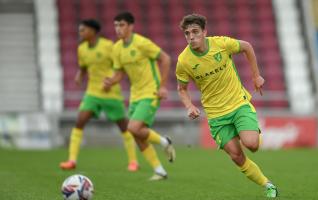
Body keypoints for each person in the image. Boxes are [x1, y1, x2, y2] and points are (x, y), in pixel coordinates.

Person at [176, 14, 278, 198]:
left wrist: (256, 76)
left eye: (195, 32)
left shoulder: (221, 44)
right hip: (216, 116)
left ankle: (246, 130)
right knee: (237, 157)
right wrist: (189, 106)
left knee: (252, 145)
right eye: (187, 33)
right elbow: (182, 89)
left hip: (238, 104)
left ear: (204, 32)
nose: (191, 36)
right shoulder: (184, 61)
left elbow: (247, 46)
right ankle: (268, 185)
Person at [103, 12, 176, 181]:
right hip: (135, 95)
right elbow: (120, 73)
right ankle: (159, 170)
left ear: (130, 26)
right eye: (115, 25)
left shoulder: (142, 43)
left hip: (151, 92)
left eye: (121, 25)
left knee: (133, 128)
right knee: (137, 134)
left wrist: (162, 86)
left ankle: (165, 142)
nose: (118, 29)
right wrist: (111, 82)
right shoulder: (116, 49)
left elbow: (166, 59)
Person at [60, 19, 139, 172]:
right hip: (92, 92)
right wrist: (79, 75)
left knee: (124, 126)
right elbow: (83, 66)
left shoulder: (107, 46)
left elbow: (120, 66)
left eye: (83, 30)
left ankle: (133, 161)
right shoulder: (81, 49)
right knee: (80, 121)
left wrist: (112, 81)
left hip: (111, 92)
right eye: (80, 30)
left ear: (92, 31)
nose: (80, 33)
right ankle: (71, 160)